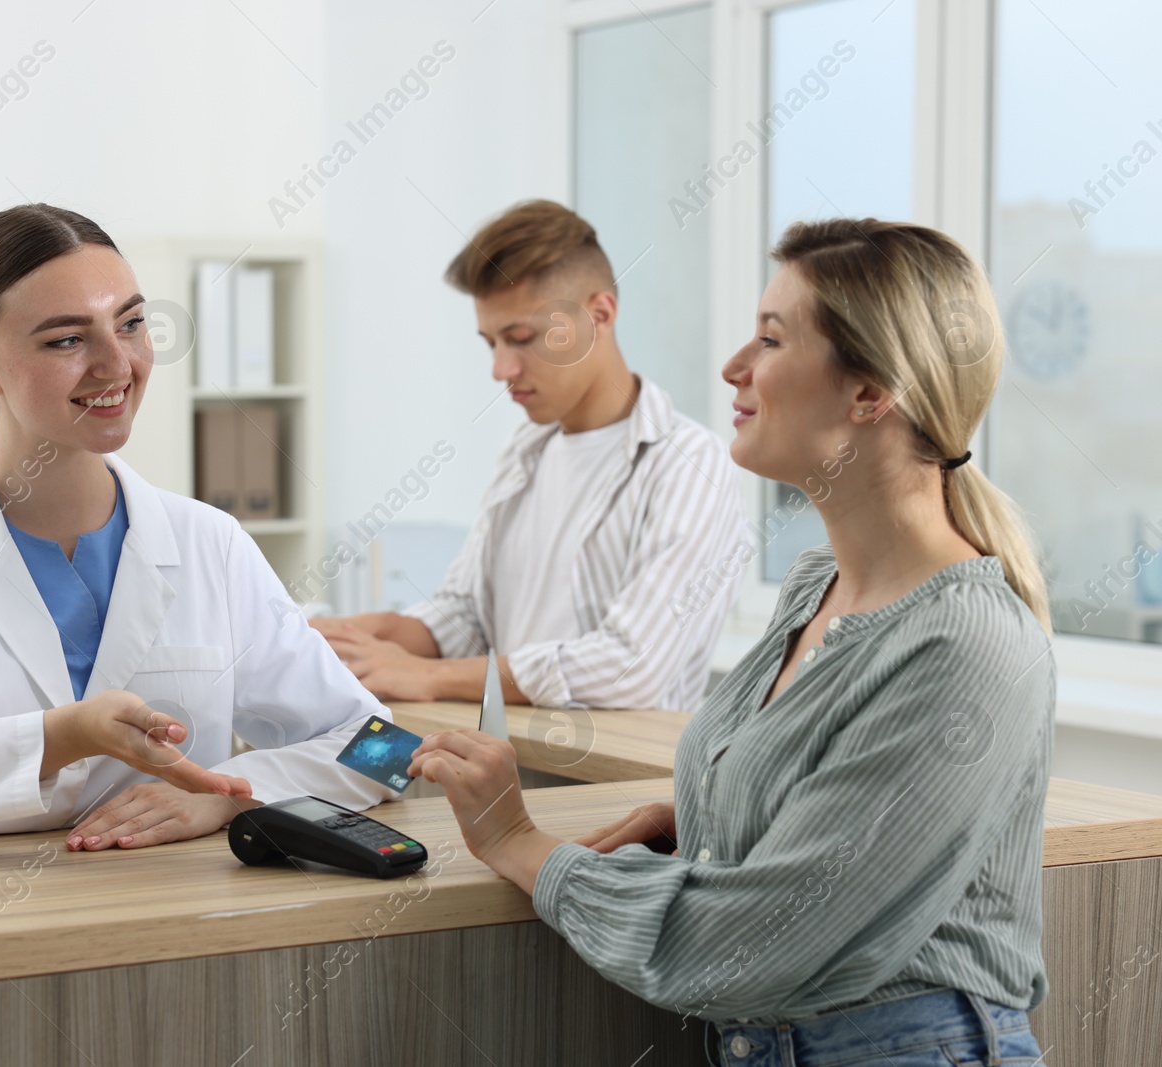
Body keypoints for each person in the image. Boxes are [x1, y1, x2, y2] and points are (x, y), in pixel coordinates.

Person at [411, 218, 1054, 1064]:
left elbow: (745, 947)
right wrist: (712, 818)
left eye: (771, 338)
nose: (733, 367)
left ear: (869, 393)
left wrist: (516, 841)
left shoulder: (965, 645)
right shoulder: (815, 591)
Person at [0, 204, 396, 864]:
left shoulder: (209, 543)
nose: (116, 364)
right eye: (66, 340)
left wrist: (235, 795)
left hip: (174, 936)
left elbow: (384, 749)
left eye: (130, 323)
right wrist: (56, 737)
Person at [312, 200, 747, 712]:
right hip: (514, 760)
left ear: (600, 315)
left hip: (620, 779)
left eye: (521, 339)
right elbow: (468, 619)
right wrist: (367, 636)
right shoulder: (526, 450)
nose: (500, 368)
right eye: (491, 342)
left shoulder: (690, 464)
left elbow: (630, 668)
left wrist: (431, 676)